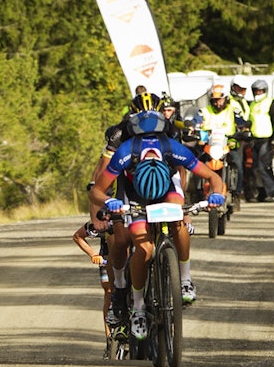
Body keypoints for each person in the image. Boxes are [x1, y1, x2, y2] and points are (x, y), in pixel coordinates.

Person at [89, 110, 227, 340]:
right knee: (144, 248)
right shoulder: (125, 152)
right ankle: (138, 308)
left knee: (178, 220)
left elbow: (213, 177)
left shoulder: (172, 148)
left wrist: (216, 195)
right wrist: (109, 201)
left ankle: (185, 279)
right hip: (134, 193)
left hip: (167, 189)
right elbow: (96, 190)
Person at [72, 218, 113, 342]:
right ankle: (109, 338)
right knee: (109, 291)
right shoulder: (106, 219)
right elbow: (78, 236)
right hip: (108, 258)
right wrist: (93, 255)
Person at [247, 79, 274, 202]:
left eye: (260, 91)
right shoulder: (251, 104)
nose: (258, 93)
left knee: (264, 167)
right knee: (256, 168)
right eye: (256, 91)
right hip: (254, 139)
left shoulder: (271, 103)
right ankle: (262, 193)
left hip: (267, 139)